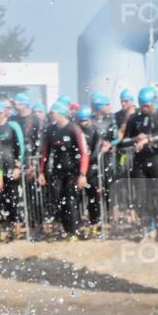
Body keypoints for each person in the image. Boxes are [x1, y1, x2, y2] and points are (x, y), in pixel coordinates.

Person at [124, 87, 158, 242]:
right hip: (140, 162)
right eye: (142, 105)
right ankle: (147, 229)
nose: (145, 108)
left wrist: (150, 139)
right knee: (141, 197)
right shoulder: (134, 118)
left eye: (148, 105)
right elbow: (124, 140)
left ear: (154, 102)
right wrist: (135, 139)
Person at [39, 102, 89, 240]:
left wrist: (82, 174)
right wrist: (41, 172)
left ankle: (74, 232)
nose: (50, 115)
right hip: (57, 172)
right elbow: (44, 153)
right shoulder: (50, 130)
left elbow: (84, 152)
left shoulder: (74, 129)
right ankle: (66, 229)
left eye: (52, 113)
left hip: (73, 171)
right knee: (57, 200)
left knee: (71, 200)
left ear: (60, 113)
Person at [0, 100, 26, 240]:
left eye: (0, 113)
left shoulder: (12, 127)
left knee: (13, 199)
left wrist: (17, 166)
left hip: (11, 168)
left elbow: (20, 148)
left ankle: (16, 227)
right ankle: (0, 230)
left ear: (5, 113)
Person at [75, 106, 103, 236]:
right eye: (80, 121)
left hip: (92, 169)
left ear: (90, 120)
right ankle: (78, 223)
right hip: (79, 168)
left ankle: (94, 223)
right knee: (76, 198)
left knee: (93, 197)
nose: (83, 124)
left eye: (85, 121)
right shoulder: (76, 131)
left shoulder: (95, 131)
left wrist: (85, 163)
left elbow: (97, 151)